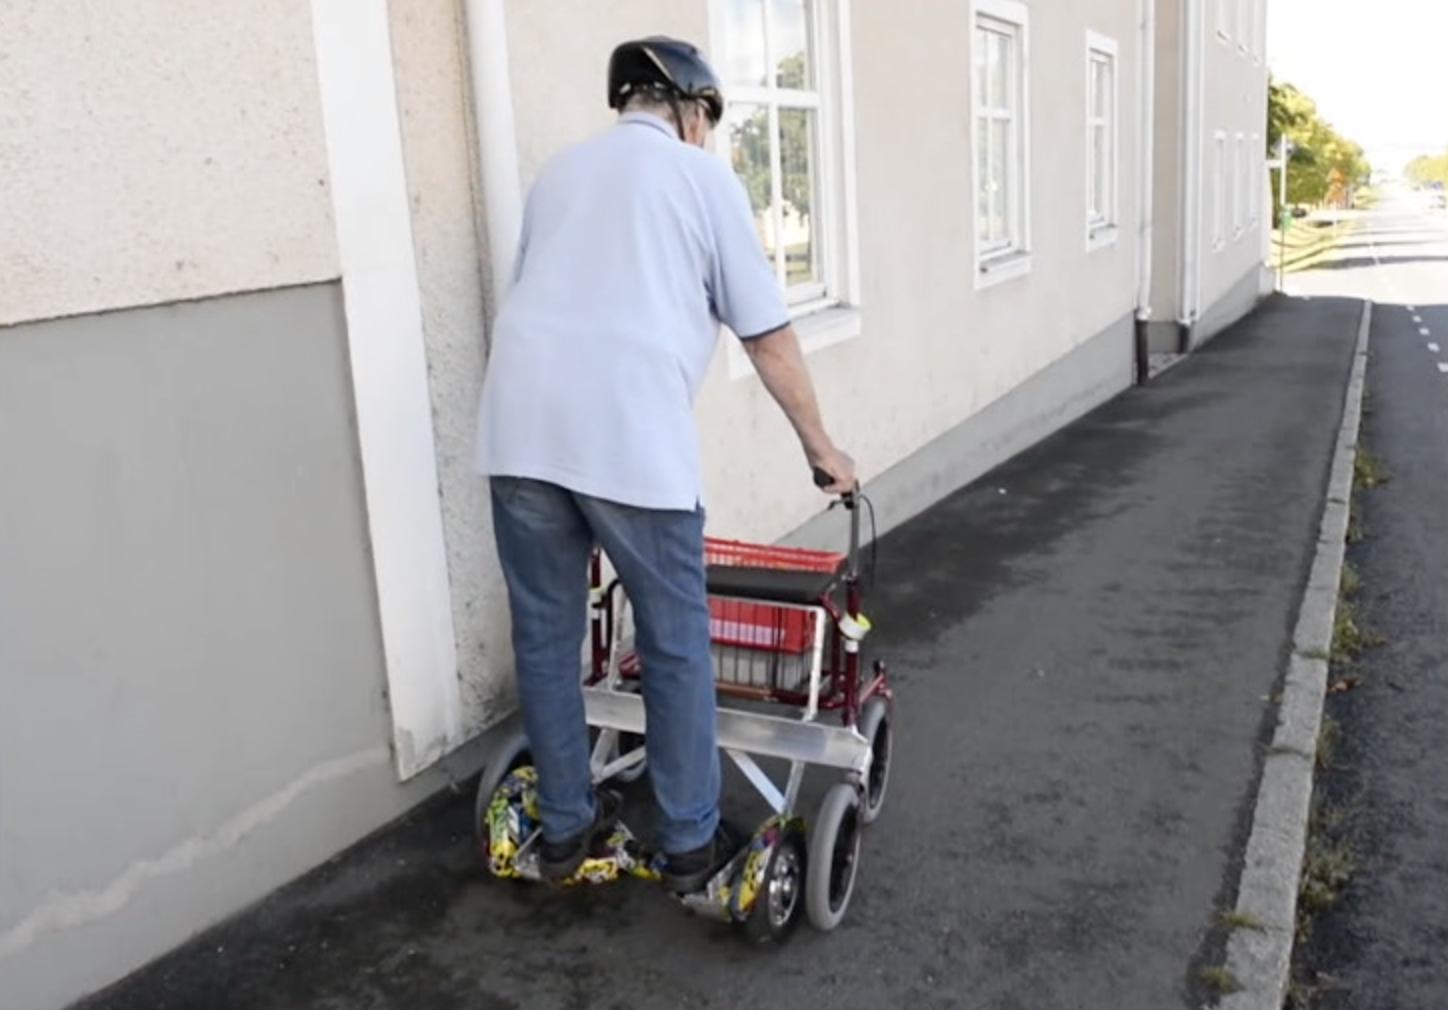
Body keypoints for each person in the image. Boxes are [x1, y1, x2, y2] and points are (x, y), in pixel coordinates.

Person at [475, 35, 854, 891]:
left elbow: (542, 298)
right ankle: (690, 842)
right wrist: (822, 449)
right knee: (677, 640)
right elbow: (768, 334)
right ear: (691, 110)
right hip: (628, 437)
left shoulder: (560, 176)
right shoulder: (702, 178)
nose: (709, 138)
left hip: (518, 430)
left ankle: (567, 830)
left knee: (546, 634)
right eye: (709, 122)